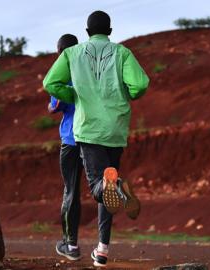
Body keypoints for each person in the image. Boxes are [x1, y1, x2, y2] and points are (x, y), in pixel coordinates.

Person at [43, 10, 149, 267]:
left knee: (98, 187)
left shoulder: (71, 54)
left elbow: (51, 83)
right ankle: (102, 251)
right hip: (115, 129)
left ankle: (74, 242)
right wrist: (124, 96)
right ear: (110, 32)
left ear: (87, 32)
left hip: (88, 130)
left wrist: (76, 96)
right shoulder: (123, 53)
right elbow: (141, 84)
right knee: (107, 185)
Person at [48, 34, 83, 261]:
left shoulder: (61, 73)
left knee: (71, 191)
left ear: (60, 51)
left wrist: (52, 106)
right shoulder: (87, 72)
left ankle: (70, 245)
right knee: (98, 187)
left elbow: (56, 105)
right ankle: (102, 246)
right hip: (93, 137)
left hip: (71, 140)